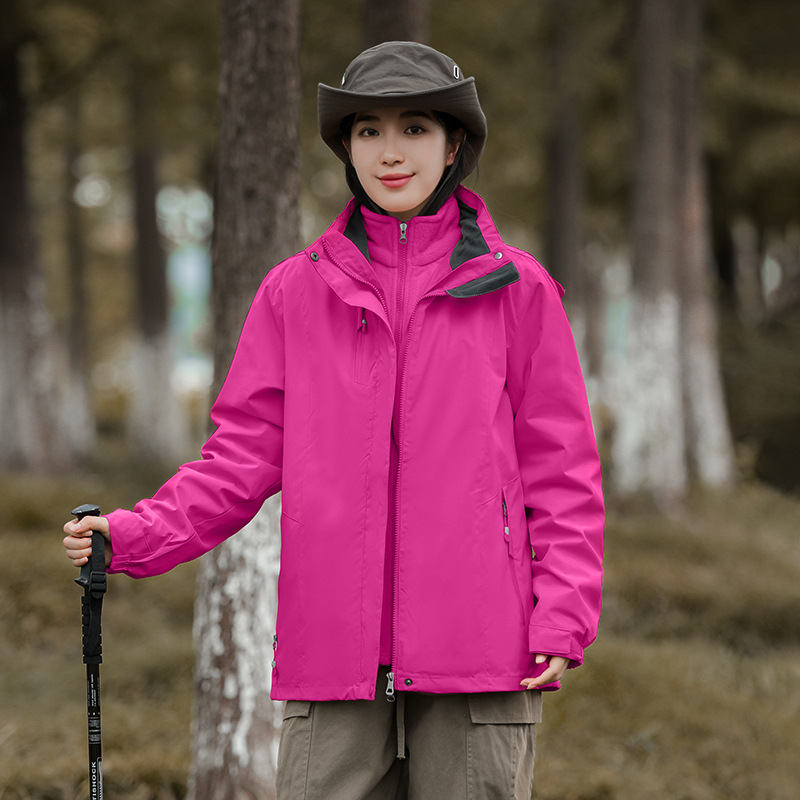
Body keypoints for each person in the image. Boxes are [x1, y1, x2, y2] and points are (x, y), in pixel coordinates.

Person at [64, 41, 604, 800]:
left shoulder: (518, 290)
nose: (391, 152)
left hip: (481, 649)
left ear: (454, 145)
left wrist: (563, 616)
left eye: (414, 128)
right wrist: (134, 534)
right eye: (368, 130)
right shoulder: (293, 293)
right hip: (332, 654)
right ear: (346, 148)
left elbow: (563, 472)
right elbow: (239, 458)